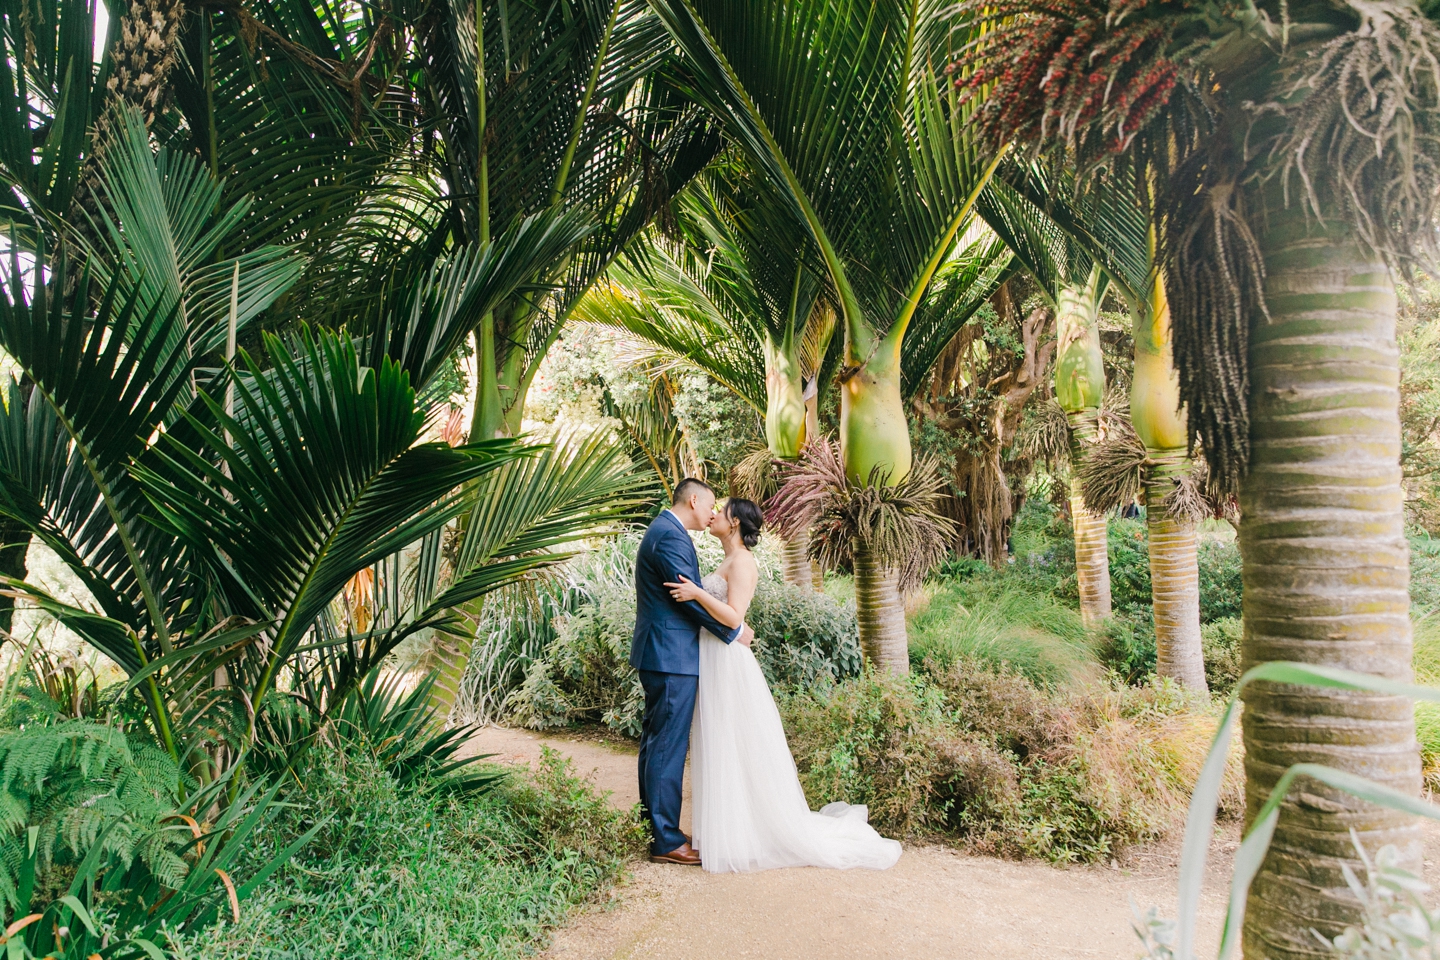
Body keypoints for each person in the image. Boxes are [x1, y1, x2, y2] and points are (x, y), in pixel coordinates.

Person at [664, 497, 902, 873]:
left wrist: (697, 594)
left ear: (736, 523)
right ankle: (728, 830)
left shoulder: (743, 562)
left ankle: (745, 835)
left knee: (734, 741)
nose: (714, 515)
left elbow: (734, 617)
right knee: (719, 742)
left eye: (721, 512)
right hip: (710, 658)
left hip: (727, 663)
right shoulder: (725, 560)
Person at [632, 478, 753, 865]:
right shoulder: (670, 536)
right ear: (695, 499)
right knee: (666, 747)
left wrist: (729, 625)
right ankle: (665, 840)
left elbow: (693, 595)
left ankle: (657, 827)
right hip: (671, 656)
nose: (712, 512)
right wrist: (733, 631)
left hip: (667, 654)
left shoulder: (667, 530)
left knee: (657, 744)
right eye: (711, 504)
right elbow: (686, 599)